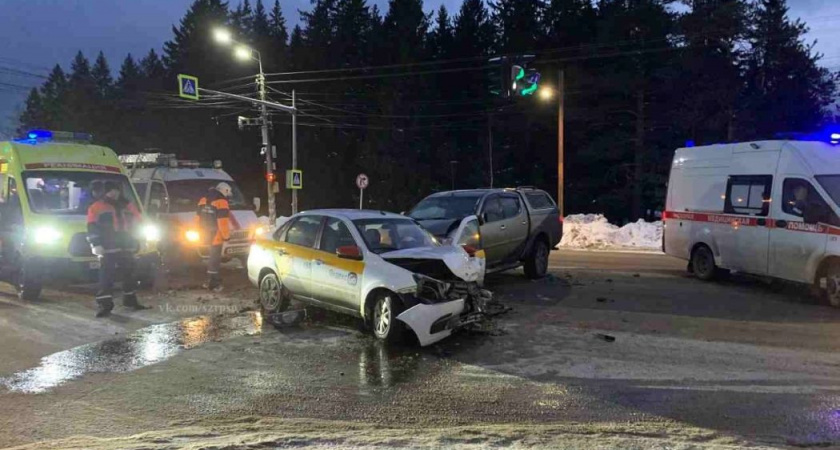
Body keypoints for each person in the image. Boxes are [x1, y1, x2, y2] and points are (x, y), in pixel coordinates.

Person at [87, 181, 145, 317]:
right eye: (111, 190)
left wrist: (141, 240)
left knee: (130, 275)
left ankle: (130, 300)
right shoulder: (96, 207)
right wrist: (95, 244)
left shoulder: (128, 206)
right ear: (105, 192)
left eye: (116, 190)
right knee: (106, 277)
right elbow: (91, 227)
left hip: (127, 246)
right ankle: (104, 305)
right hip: (108, 248)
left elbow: (139, 223)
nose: (114, 193)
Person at [196, 182, 232, 291]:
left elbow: (197, 217)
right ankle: (214, 282)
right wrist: (226, 237)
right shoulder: (222, 201)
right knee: (215, 258)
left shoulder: (203, 199)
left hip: (204, 232)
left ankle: (209, 281)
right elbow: (223, 222)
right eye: (228, 192)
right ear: (224, 191)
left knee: (210, 258)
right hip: (216, 234)